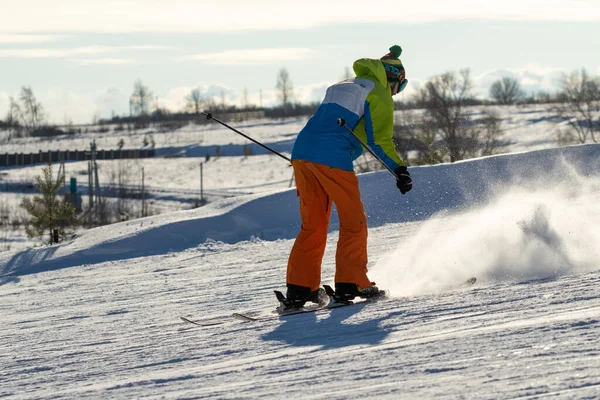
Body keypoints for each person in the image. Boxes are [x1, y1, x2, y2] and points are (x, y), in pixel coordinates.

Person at [284, 45, 413, 308]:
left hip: (301, 153)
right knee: (353, 220)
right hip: (331, 157)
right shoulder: (378, 93)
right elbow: (381, 140)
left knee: (314, 224)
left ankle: (300, 289)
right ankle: (351, 283)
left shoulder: (346, 84)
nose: (396, 95)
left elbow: (339, 126)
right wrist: (399, 170)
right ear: (394, 79)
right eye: (399, 87)